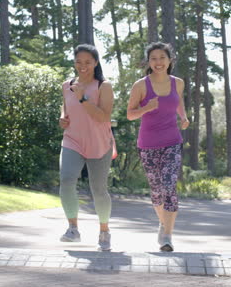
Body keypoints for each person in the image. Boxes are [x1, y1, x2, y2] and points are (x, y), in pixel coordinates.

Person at [127, 42, 189, 252]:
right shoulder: (141, 85)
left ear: (170, 60)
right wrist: (146, 107)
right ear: (149, 62)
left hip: (172, 141)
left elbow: (178, 101)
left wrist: (184, 116)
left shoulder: (178, 83)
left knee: (169, 185)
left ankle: (168, 236)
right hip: (148, 144)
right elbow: (130, 114)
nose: (158, 62)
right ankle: (163, 224)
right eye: (153, 58)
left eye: (162, 57)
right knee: (156, 191)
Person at [59, 43, 115, 251]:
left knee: (99, 190)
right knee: (66, 180)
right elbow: (66, 109)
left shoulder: (104, 86)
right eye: (78, 62)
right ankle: (73, 229)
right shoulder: (67, 85)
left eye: (87, 62)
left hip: (99, 144)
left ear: (96, 63)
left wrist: (83, 97)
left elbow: (103, 116)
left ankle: (104, 231)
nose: (82, 66)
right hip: (72, 140)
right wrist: (62, 118)